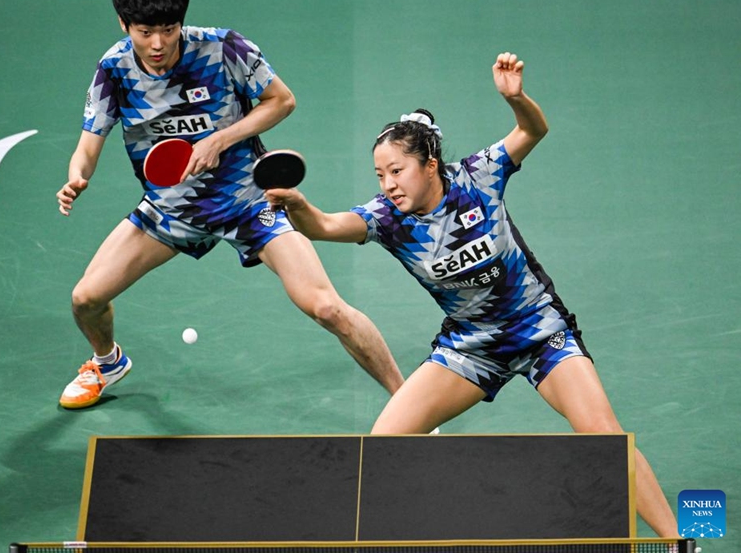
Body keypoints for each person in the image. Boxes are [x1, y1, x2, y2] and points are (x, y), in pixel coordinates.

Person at [264, 52, 679, 537]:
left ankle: (675, 543)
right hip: (470, 346)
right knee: (382, 444)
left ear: (430, 164)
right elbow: (327, 226)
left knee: (605, 436)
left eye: (396, 171)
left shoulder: (478, 176)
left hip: (539, 331)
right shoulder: (387, 217)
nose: (388, 184)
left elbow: (533, 132)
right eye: (380, 175)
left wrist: (516, 99)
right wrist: (297, 205)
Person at [55, 0, 404, 409]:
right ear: (125, 26)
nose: (158, 44)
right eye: (146, 32)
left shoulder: (223, 47)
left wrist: (221, 138)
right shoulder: (114, 70)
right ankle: (107, 362)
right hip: (171, 211)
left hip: (248, 203)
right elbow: (88, 144)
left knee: (327, 307)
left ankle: (408, 402)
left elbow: (282, 100)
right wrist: (76, 177)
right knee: (86, 298)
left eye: (168, 30)